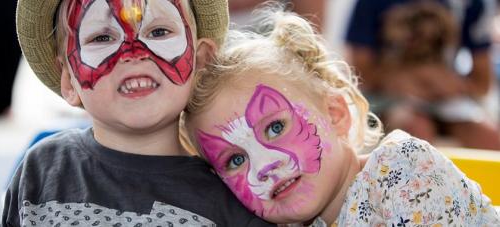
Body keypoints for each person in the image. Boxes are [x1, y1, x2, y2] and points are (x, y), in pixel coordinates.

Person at [181, 8, 500, 226]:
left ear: (335, 114)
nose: (263, 167)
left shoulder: (400, 169)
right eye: (235, 160)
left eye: (276, 127)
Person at [1, 0, 274, 226]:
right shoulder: (42, 168)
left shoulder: (233, 195)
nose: (133, 53)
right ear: (69, 81)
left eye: (158, 32)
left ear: (201, 61)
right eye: (102, 37)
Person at [346, 0, 500, 150]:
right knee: (417, 130)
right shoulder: (370, 3)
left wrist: (452, 84)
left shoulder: (472, 4)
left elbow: (482, 84)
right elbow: (360, 74)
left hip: (447, 101)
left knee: (490, 139)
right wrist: (404, 81)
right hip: (387, 98)